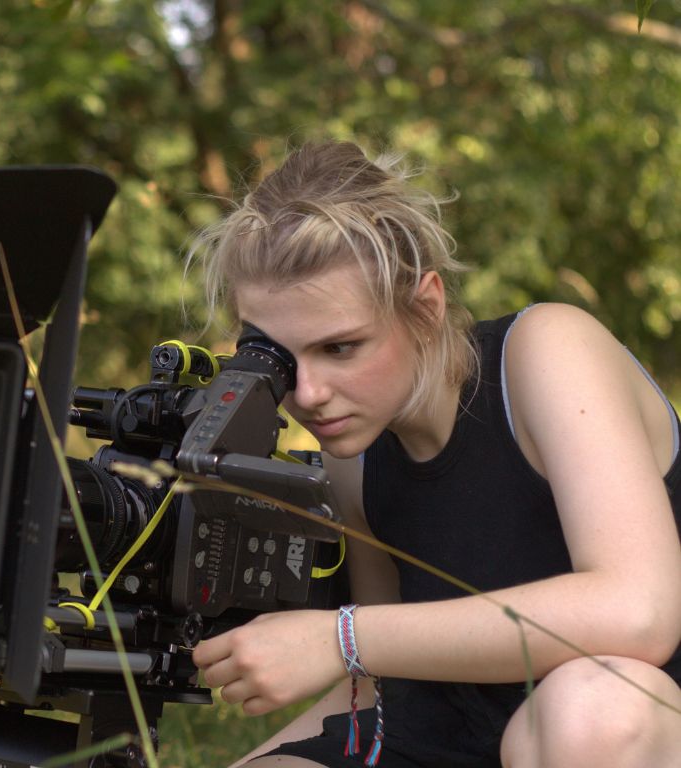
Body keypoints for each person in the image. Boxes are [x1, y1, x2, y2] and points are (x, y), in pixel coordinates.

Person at [188, 142, 681, 767]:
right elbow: (379, 680)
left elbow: (639, 612)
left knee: (596, 709)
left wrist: (339, 637)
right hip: (444, 744)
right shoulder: (352, 455)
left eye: (340, 348)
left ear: (425, 308)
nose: (307, 395)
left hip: (607, 735)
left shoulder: (546, 354)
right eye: (282, 357)